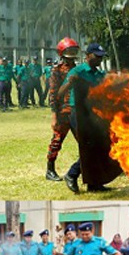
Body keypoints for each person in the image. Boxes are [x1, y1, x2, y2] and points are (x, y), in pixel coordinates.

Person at [58, 42, 109, 194]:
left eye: (101, 57)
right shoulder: (78, 71)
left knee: (99, 147)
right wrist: (70, 83)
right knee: (88, 147)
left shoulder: (100, 75)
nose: (99, 60)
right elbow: (60, 92)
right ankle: (72, 174)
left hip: (94, 113)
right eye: (97, 56)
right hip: (78, 113)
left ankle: (94, 184)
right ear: (87, 56)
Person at [46, 38, 79, 181]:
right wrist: (54, 116)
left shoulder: (78, 68)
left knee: (83, 141)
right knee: (57, 140)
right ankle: (50, 170)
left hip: (76, 111)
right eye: (69, 51)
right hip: (62, 112)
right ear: (62, 53)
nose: (72, 53)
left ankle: (84, 169)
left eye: (74, 50)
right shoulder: (56, 71)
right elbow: (53, 94)